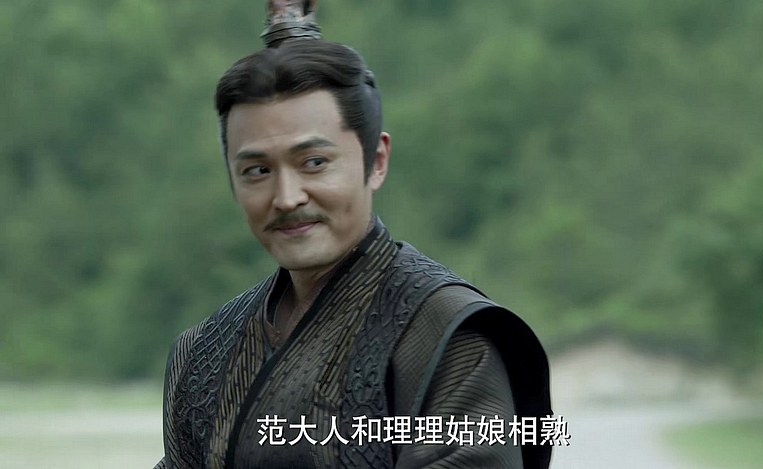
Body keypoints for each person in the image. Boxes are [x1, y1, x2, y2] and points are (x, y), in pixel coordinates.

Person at [156, 2, 552, 468]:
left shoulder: (446, 337)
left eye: (314, 163)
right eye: (257, 170)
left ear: (376, 161)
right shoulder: (203, 352)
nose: (286, 197)